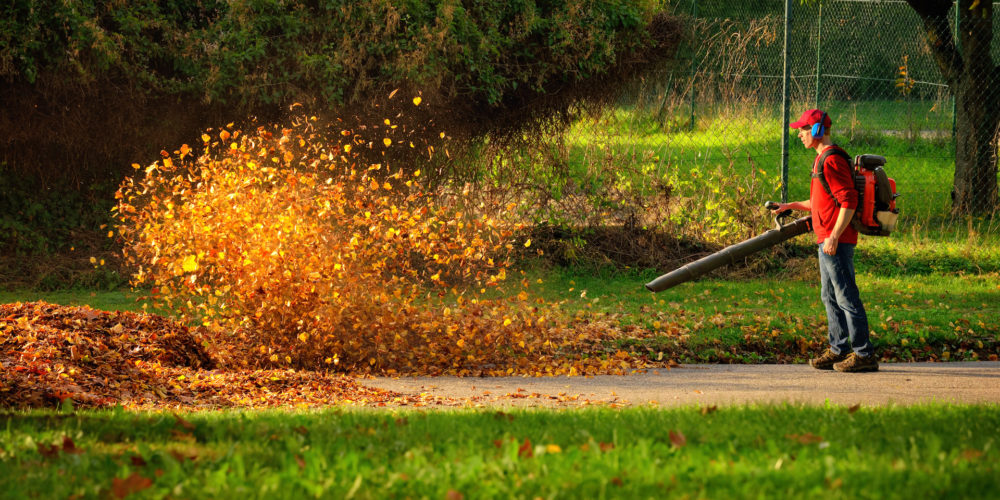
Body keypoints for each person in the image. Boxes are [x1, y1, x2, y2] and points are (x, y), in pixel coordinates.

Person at [774, 109, 878, 373]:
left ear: (818, 130)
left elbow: (849, 201)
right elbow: (823, 201)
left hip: (836, 241)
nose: (799, 134)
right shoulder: (822, 160)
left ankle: (863, 353)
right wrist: (791, 205)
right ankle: (838, 349)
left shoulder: (831, 161)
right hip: (827, 240)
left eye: (803, 130)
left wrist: (833, 236)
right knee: (829, 296)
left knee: (846, 297)